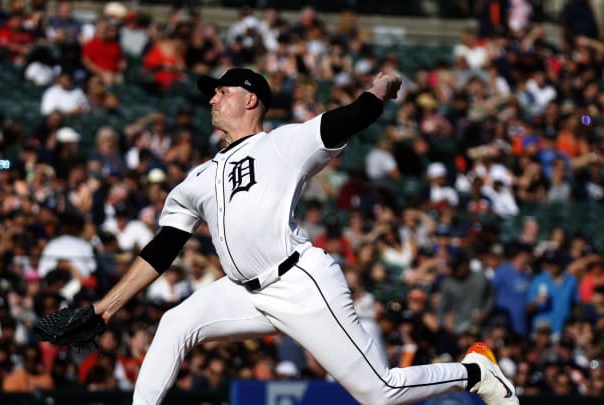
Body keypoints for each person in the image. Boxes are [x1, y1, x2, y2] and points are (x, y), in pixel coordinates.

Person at [89, 68, 518, 405]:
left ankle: (476, 372)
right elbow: (163, 248)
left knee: (379, 393)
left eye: (222, 91)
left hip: (299, 282)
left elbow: (354, 116)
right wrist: (105, 309)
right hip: (243, 291)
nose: (212, 98)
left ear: (250, 97)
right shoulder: (196, 180)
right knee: (175, 322)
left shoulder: (282, 144)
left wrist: (380, 89)